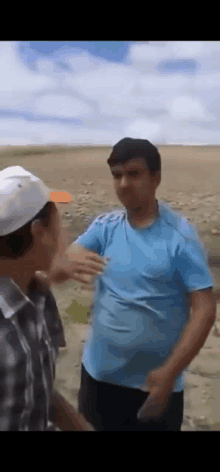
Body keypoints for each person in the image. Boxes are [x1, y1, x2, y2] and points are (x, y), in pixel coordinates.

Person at [44, 137, 217, 431]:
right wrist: (62, 264)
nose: (123, 183)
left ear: (156, 178)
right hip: (98, 378)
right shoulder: (105, 227)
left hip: (156, 387)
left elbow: (204, 308)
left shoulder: (180, 236)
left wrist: (169, 374)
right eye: (117, 175)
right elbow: (59, 272)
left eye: (134, 174)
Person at [0, 165, 106, 431]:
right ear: (39, 232)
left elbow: (36, 387)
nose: (65, 232)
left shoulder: (37, 295)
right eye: (58, 218)